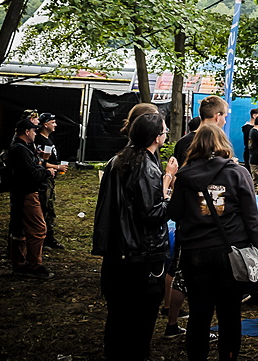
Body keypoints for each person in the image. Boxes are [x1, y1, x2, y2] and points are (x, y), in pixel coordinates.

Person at [168, 123, 258, 361]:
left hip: (195, 251)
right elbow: (251, 216)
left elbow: (175, 213)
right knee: (229, 313)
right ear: (223, 144)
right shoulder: (238, 173)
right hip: (231, 251)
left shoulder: (185, 175)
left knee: (199, 313)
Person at [92, 111, 178, 361]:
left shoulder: (118, 160)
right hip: (141, 253)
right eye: (164, 131)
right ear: (156, 137)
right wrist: (169, 189)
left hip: (118, 250)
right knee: (141, 317)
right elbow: (153, 213)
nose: (166, 135)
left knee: (118, 315)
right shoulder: (145, 167)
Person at [162, 114, 202, 337]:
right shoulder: (192, 172)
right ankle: (171, 316)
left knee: (177, 268)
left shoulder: (182, 146)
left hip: (187, 220)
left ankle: (170, 311)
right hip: (190, 223)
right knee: (179, 269)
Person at [7, 118, 55, 278]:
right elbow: (31, 174)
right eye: (34, 130)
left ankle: (19, 264)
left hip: (20, 193)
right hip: (27, 193)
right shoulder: (20, 150)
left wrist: (39, 160)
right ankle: (34, 265)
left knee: (20, 229)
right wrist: (46, 172)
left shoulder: (19, 148)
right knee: (38, 229)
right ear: (27, 132)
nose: (36, 133)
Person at [34, 112, 68, 249]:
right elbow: (40, 162)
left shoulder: (49, 139)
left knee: (49, 207)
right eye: (53, 122)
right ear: (45, 124)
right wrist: (57, 167)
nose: (55, 125)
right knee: (44, 208)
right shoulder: (39, 141)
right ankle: (42, 239)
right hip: (43, 179)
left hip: (50, 178)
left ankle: (49, 237)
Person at [174, 96, 228, 166]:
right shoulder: (218, 143)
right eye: (224, 117)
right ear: (218, 117)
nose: (225, 122)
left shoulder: (182, 142)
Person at [247, 114, 258, 182]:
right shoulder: (256, 133)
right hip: (255, 158)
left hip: (253, 157)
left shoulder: (253, 131)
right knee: (256, 180)